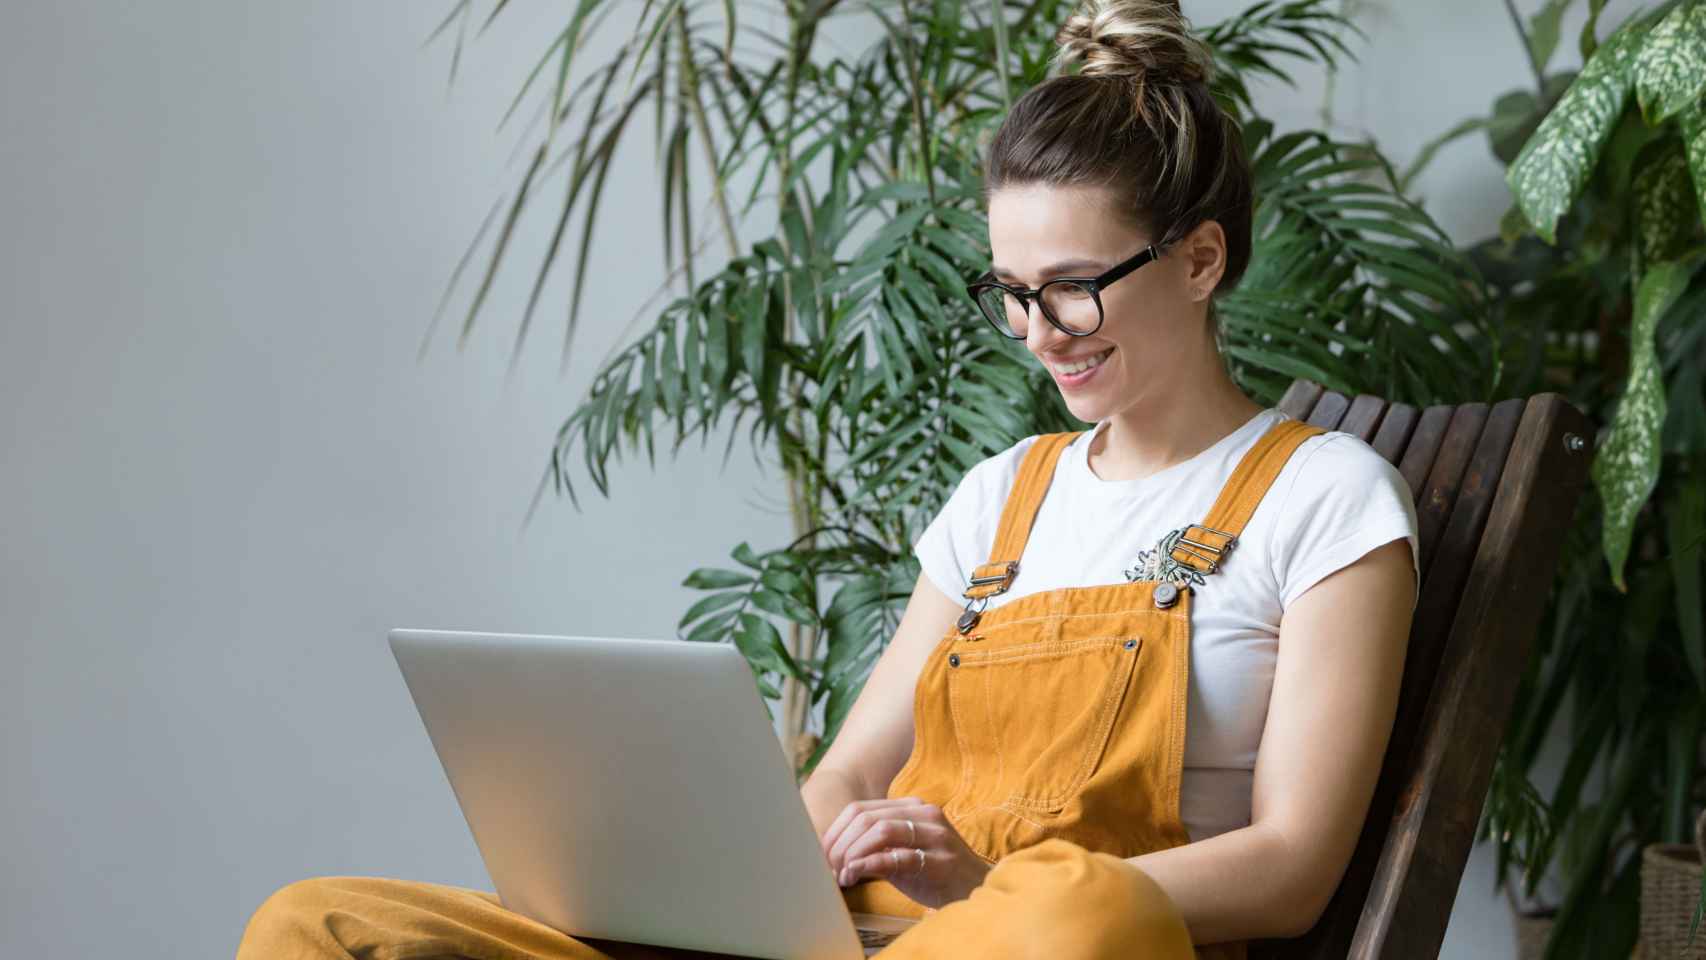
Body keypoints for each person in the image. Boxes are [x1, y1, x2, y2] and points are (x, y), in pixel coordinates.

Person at [236, 0, 1419, 957]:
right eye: (1008, 292)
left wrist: (990, 890)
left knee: (1076, 911)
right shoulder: (999, 499)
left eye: (1070, 285)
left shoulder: (1323, 501)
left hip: (1046, 945)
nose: (1037, 333)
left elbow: (1290, 868)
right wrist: (747, 901)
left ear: (1199, 257)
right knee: (315, 923)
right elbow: (850, 765)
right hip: (853, 947)